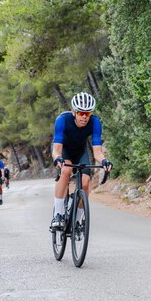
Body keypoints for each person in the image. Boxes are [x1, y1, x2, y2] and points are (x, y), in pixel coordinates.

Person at [50, 92, 112, 229]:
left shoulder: (95, 122)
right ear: (73, 112)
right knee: (66, 170)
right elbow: (57, 150)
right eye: (81, 113)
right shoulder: (62, 120)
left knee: (85, 182)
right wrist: (57, 158)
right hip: (63, 150)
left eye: (88, 114)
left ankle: (77, 221)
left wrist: (104, 161)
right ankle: (58, 214)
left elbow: (97, 152)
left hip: (80, 151)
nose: (84, 117)